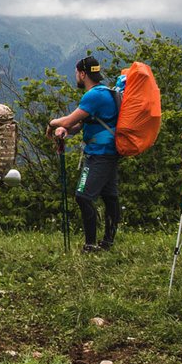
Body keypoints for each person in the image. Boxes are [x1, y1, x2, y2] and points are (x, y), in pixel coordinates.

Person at [46, 56, 120, 252]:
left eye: (76, 74)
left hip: (99, 154)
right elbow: (82, 124)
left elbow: (69, 120)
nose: (76, 77)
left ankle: (90, 245)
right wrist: (66, 131)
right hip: (109, 152)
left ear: (82, 74)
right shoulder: (105, 93)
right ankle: (107, 242)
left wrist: (53, 123)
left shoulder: (93, 96)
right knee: (110, 196)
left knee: (83, 197)